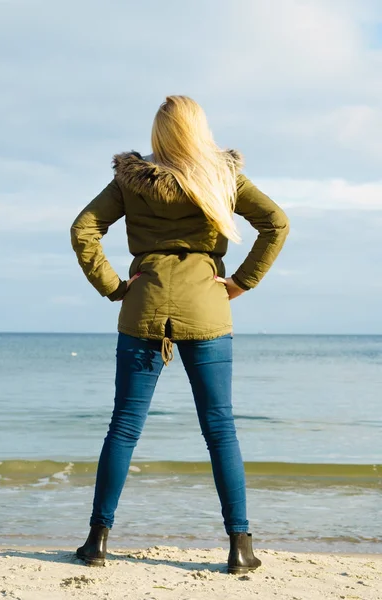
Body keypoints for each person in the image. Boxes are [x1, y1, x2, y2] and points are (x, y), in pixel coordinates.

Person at [70, 95, 289, 574]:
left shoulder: (131, 178)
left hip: (143, 307)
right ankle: (240, 547)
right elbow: (276, 222)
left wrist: (113, 286)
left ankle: (97, 543)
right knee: (220, 430)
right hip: (206, 308)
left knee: (124, 427)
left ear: (159, 133)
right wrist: (241, 282)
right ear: (199, 129)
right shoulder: (220, 175)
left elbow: (84, 228)